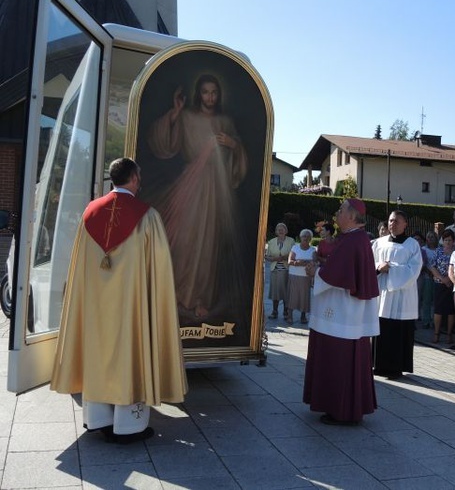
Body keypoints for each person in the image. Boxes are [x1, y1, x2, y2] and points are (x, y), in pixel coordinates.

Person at [50, 158, 187, 443]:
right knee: (130, 351)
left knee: (97, 350)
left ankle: (97, 419)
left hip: (95, 308)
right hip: (132, 309)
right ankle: (128, 426)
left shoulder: (89, 213)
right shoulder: (147, 216)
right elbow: (159, 271)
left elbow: (79, 269)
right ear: (134, 179)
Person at [147, 74, 248, 319]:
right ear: (198, 94)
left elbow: (240, 160)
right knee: (186, 239)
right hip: (190, 185)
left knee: (208, 244)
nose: (210, 97)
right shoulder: (187, 116)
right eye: (205, 92)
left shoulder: (225, 121)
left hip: (216, 189)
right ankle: (178, 293)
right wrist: (175, 112)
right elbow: (163, 143)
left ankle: (201, 298)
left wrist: (233, 146)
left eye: (214, 92)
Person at [303, 198, 380, 425]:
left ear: (352, 215)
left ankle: (341, 409)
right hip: (344, 311)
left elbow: (335, 274)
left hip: (341, 313)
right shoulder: (353, 239)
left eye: (341, 209)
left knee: (338, 359)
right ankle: (343, 406)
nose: (337, 212)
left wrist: (314, 273)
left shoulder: (353, 241)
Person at [371, 211, 422, 380]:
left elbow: (414, 269)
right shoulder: (378, 243)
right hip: (383, 294)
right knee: (381, 329)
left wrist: (391, 268)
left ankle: (396, 368)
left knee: (398, 332)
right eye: (390, 220)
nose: (392, 223)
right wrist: (379, 266)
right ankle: (378, 365)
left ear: (405, 224)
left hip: (403, 296)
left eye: (396, 221)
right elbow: (370, 263)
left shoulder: (412, 245)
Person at [429, 229, 455, 343]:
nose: (448, 242)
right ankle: (436, 333)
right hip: (439, 284)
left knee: (451, 310)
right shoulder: (438, 251)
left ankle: (449, 334)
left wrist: (449, 279)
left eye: (450, 240)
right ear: (442, 241)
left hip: (452, 284)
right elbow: (432, 267)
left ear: (453, 241)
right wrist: (442, 279)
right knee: (438, 309)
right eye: (445, 240)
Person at [286, 229, 317, 325]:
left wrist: (305, 262)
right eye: (304, 236)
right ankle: (289, 316)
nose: (306, 238)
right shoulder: (295, 248)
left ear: (311, 238)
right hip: (294, 275)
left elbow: (314, 262)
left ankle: (303, 316)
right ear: (300, 237)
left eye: (308, 236)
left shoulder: (313, 250)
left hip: (306, 277)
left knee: (304, 297)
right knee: (292, 296)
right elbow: (289, 261)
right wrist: (297, 263)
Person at [266, 223, 294, 319]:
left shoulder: (291, 241)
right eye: (279, 229)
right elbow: (267, 256)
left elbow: (293, 253)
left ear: (286, 231)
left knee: (286, 292)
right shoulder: (271, 242)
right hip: (275, 270)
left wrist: (283, 257)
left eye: (283, 229)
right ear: (276, 231)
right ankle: (275, 311)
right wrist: (274, 258)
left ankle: (286, 312)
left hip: (286, 270)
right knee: (275, 292)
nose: (281, 230)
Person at [419, 231, 439, 329]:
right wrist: (429, 272)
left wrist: (436, 274)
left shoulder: (439, 250)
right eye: (428, 237)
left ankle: (436, 321)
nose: (430, 239)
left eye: (432, 237)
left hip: (438, 278)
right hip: (427, 277)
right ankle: (426, 320)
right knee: (426, 300)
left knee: (436, 300)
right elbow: (422, 263)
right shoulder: (423, 249)